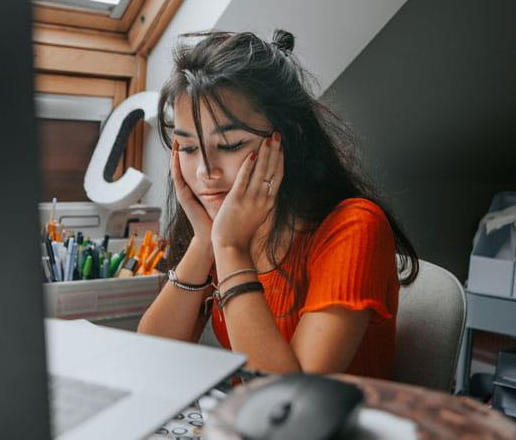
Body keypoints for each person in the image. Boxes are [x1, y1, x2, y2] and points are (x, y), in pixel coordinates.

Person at [137, 29, 419, 379]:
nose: (206, 171)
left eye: (229, 146)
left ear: (286, 139)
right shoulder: (224, 227)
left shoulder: (355, 226)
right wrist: (204, 241)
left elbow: (292, 399)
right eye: (190, 149)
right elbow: (150, 360)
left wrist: (229, 246)